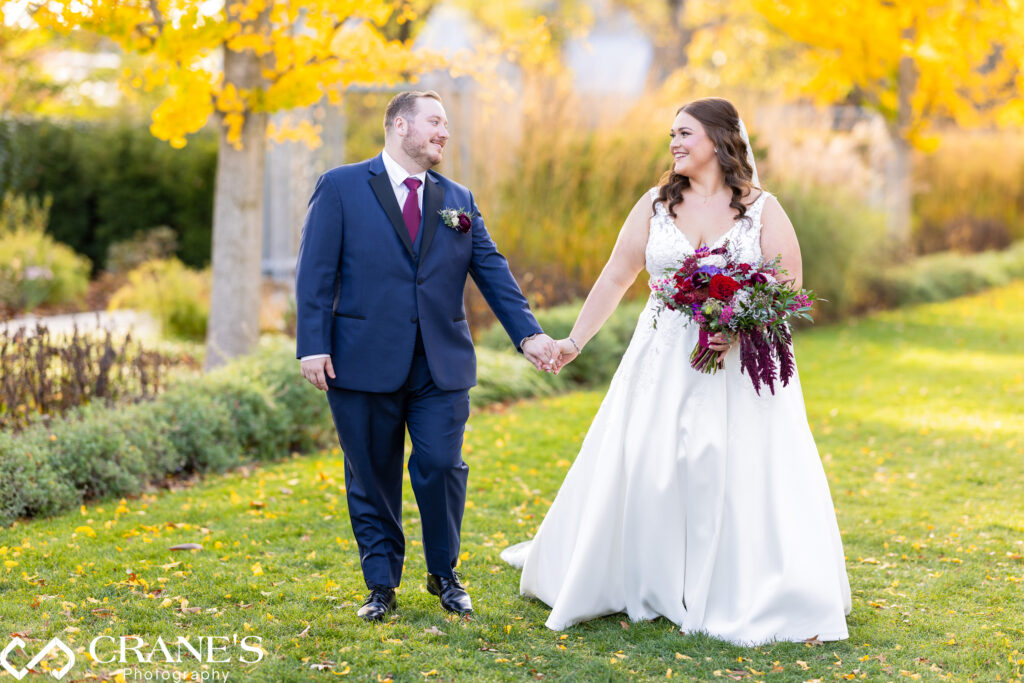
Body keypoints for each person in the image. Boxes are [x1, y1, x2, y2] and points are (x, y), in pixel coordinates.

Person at [501, 97, 851, 645]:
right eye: (671, 135)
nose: (675, 144)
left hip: (739, 367)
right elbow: (617, 276)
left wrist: (737, 326)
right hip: (661, 359)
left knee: (728, 464)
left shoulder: (763, 208)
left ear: (718, 139)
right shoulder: (655, 204)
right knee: (651, 460)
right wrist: (574, 340)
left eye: (685, 133)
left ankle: (738, 581)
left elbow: (787, 287)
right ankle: (648, 572)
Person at [295, 90, 557, 622]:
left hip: (440, 363)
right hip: (360, 359)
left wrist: (528, 336)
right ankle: (380, 585)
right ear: (398, 125)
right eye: (434, 121)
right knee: (370, 474)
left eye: (446, 124)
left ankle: (444, 572)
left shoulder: (458, 197)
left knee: (440, 464)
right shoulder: (342, 186)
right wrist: (313, 344)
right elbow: (315, 273)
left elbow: (492, 270)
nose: (444, 132)